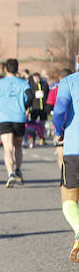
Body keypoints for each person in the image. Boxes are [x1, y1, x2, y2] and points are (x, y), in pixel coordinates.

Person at [0, 58, 32, 187]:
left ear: (5, 69)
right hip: (19, 117)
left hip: (5, 117)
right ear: (17, 68)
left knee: (7, 147)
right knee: (18, 146)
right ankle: (18, 169)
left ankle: (10, 174)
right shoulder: (24, 83)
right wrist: (24, 106)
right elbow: (30, 97)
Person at [52, 69, 79, 260]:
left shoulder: (69, 81)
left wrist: (58, 128)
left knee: (69, 200)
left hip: (75, 147)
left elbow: (60, 108)